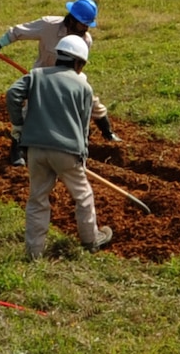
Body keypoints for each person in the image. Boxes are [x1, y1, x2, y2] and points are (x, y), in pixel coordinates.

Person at [8, 35, 113, 259]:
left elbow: (12, 94)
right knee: (83, 196)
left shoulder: (36, 75)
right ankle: (90, 240)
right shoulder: (83, 86)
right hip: (67, 151)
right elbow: (84, 124)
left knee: (37, 199)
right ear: (79, 63)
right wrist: (82, 153)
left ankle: (34, 253)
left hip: (35, 149)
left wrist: (18, 126)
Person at [0, 0, 116, 164]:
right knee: (28, 110)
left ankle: (108, 133)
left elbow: (79, 67)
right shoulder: (48, 25)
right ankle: (17, 147)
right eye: (83, 24)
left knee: (91, 102)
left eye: (88, 25)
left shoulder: (86, 40)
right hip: (42, 79)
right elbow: (17, 31)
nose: (86, 28)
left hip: (69, 78)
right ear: (73, 19)